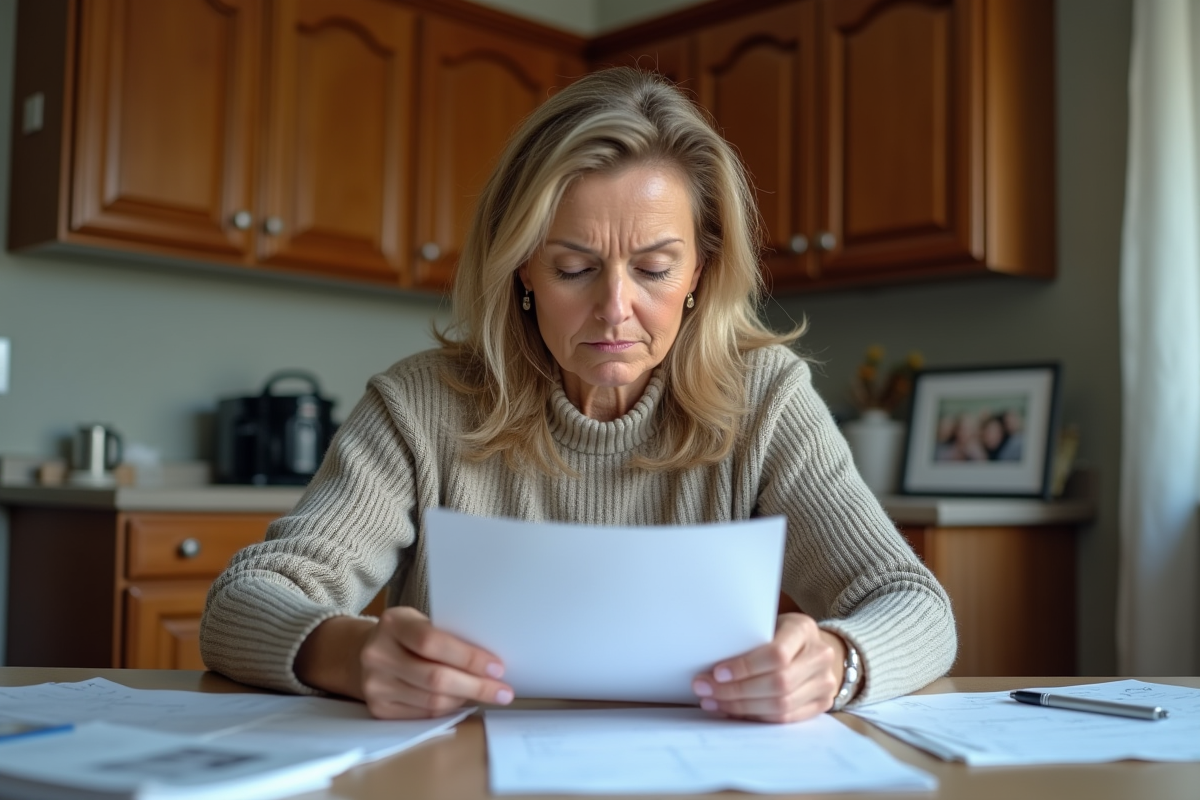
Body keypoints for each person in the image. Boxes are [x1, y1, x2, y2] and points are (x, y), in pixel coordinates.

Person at [200, 67, 956, 724]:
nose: (615, 308)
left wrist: (838, 659)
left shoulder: (766, 399)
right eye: (573, 268)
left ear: (702, 270)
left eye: (656, 268)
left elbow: (912, 604)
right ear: (522, 266)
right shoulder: (420, 405)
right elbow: (242, 602)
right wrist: (349, 652)